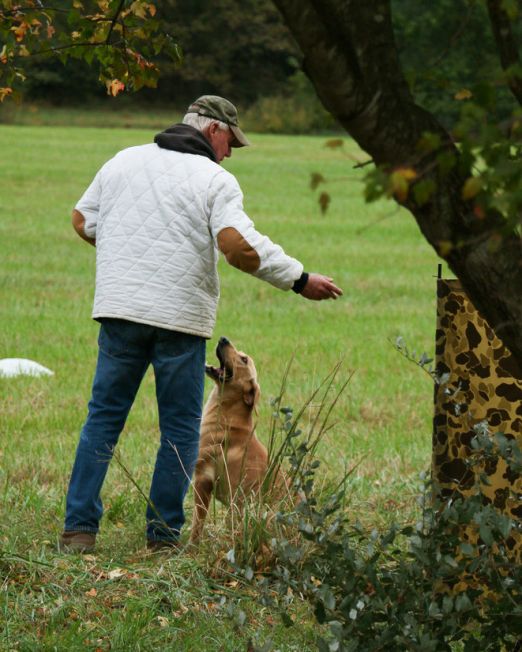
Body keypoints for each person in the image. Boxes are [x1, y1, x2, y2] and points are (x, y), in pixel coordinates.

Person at [60, 95, 343, 553]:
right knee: (179, 429)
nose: (230, 153)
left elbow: (82, 220)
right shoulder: (215, 179)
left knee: (103, 419)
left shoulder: (122, 161)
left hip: (119, 311)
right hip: (180, 319)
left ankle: (78, 530)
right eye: (231, 142)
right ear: (213, 130)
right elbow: (238, 246)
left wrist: (130, 258)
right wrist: (299, 279)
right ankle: (163, 537)